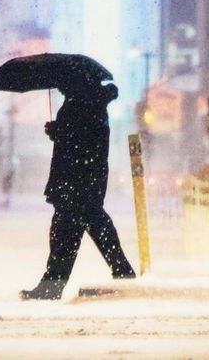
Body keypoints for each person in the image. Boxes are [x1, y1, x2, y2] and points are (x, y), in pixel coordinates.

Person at [22, 79, 136, 299]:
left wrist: (61, 132)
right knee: (86, 229)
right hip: (80, 180)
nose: (60, 86)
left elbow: (84, 141)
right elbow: (84, 139)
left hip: (77, 179)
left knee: (68, 234)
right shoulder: (87, 102)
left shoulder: (85, 104)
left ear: (78, 82)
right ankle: (122, 273)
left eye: (64, 82)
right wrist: (61, 132)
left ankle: (53, 285)